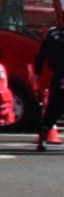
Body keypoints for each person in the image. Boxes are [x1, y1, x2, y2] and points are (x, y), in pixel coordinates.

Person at [34, 21, 64, 151]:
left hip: (58, 76)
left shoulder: (53, 35)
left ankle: (42, 138)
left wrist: (37, 72)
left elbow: (41, 55)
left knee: (53, 109)